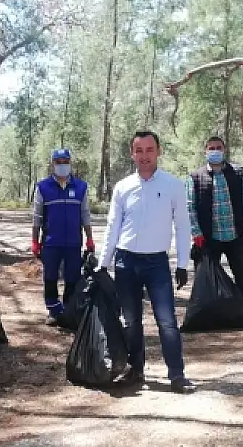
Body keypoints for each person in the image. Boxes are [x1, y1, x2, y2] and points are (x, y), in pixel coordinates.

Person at [100, 130, 195, 394]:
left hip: (157, 263)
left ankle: (176, 375)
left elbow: (183, 227)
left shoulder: (173, 185)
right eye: (139, 151)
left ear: (158, 151)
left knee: (166, 321)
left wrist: (182, 264)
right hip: (125, 261)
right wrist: (102, 264)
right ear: (132, 154)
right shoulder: (123, 187)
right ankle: (136, 370)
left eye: (149, 150)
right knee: (131, 321)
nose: (144, 156)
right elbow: (112, 227)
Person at [186, 135, 243, 323]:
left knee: (242, 275)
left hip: (236, 235)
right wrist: (196, 232)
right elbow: (189, 206)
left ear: (224, 149)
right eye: (211, 148)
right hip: (208, 238)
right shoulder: (195, 177)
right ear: (205, 151)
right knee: (205, 280)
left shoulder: (238, 173)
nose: (215, 151)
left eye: (218, 147)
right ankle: (205, 318)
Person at [31, 148, 95, 325]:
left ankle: (68, 310)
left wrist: (90, 238)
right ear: (53, 164)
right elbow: (37, 218)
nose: (62, 165)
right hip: (51, 243)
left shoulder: (81, 187)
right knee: (50, 277)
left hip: (74, 242)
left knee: (72, 277)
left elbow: (85, 215)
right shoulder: (43, 187)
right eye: (58, 162)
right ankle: (53, 310)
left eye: (65, 162)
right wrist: (35, 242)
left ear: (70, 163)